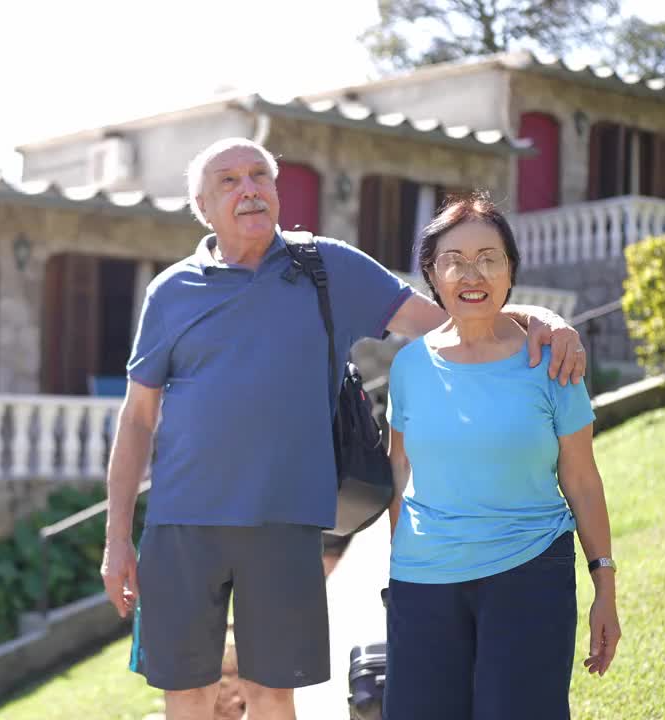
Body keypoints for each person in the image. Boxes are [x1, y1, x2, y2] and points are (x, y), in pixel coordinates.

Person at [100, 137, 589, 720]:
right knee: (185, 695)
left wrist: (538, 317)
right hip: (180, 524)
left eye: (260, 175)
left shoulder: (325, 267)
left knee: (274, 693)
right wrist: (117, 537)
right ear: (203, 207)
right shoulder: (170, 292)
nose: (249, 188)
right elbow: (136, 419)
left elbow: (456, 319)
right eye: (228, 180)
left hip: (287, 525)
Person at [382, 194, 620, 719]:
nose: (474, 273)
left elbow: (581, 479)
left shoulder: (553, 362)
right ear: (431, 272)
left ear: (511, 270)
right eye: (455, 260)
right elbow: (399, 470)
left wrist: (604, 582)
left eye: (490, 258)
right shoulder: (409, 368)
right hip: (424, 583)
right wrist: (397, 573)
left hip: (530, 574)